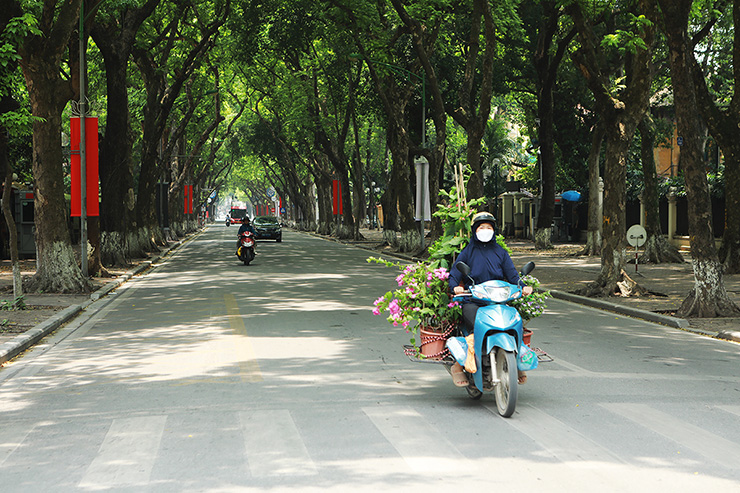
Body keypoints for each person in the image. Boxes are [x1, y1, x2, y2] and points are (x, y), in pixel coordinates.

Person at [447, 211, 533, 387]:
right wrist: (456, 286)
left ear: (494, 230)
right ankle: (458, 366)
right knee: (474, 326)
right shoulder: (467, 252)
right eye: (481, 227)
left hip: (499, 301)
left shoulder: (500, 252)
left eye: (488, 227)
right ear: (474, 230)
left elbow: (512, 275)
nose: (485, 230)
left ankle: (515, 360)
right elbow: (454, 275)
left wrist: (523, 287)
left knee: (516, 321)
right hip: (474, 301)